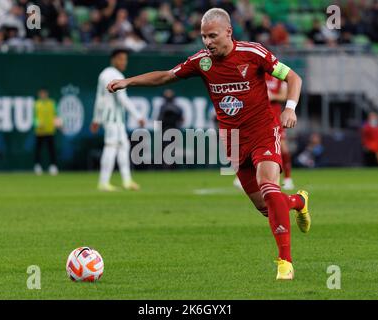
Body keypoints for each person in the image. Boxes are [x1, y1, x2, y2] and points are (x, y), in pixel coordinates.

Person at [106, 8, 311, 280]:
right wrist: (128, 81)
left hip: (263, 132)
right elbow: (166, 76)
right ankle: (298, 201)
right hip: (234, 142)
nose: (207, 42)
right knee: (265, 207)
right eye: (203, 37)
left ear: (228, 32)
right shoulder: (201, 62)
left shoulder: (253, 53)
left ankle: (284, 262)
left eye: (212, 36)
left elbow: (293, 77)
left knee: (269, 188)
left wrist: (290, 108)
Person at [91, 48, 145, 192]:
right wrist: (138, 116)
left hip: (115, 119)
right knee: (110, 147)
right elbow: (122, 99)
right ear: (114, 59)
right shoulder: (113, 75)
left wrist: (96, 119)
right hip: (112, 119)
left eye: (125, 59)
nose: (124, 62)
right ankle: (103, 182)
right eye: (121, 59)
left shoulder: (105, 74)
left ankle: (127, 181)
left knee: (123, 147)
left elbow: (99, 98)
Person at [234, 73, 294, 190]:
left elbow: (284, 95)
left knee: (283, 147)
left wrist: (272, 96)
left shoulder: (277, 75)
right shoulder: (252, 73)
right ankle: (244, 178)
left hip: (273, 116)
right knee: (249, 145)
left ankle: (288, 178)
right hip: (254, 116)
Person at [33, 88, 61, 176]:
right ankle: (37, 166)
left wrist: (58, 123)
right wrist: (38, 123)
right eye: (41, 93)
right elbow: (33, 117)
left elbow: (56, 114)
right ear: (39, 94)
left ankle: (53, 166)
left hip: (50, 131)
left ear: (47, 94)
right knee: (38, 150)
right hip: (39, 131)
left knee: (51, 150)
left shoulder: (52, 103)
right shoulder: (36, 104)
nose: (43, 95)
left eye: (44, 93)